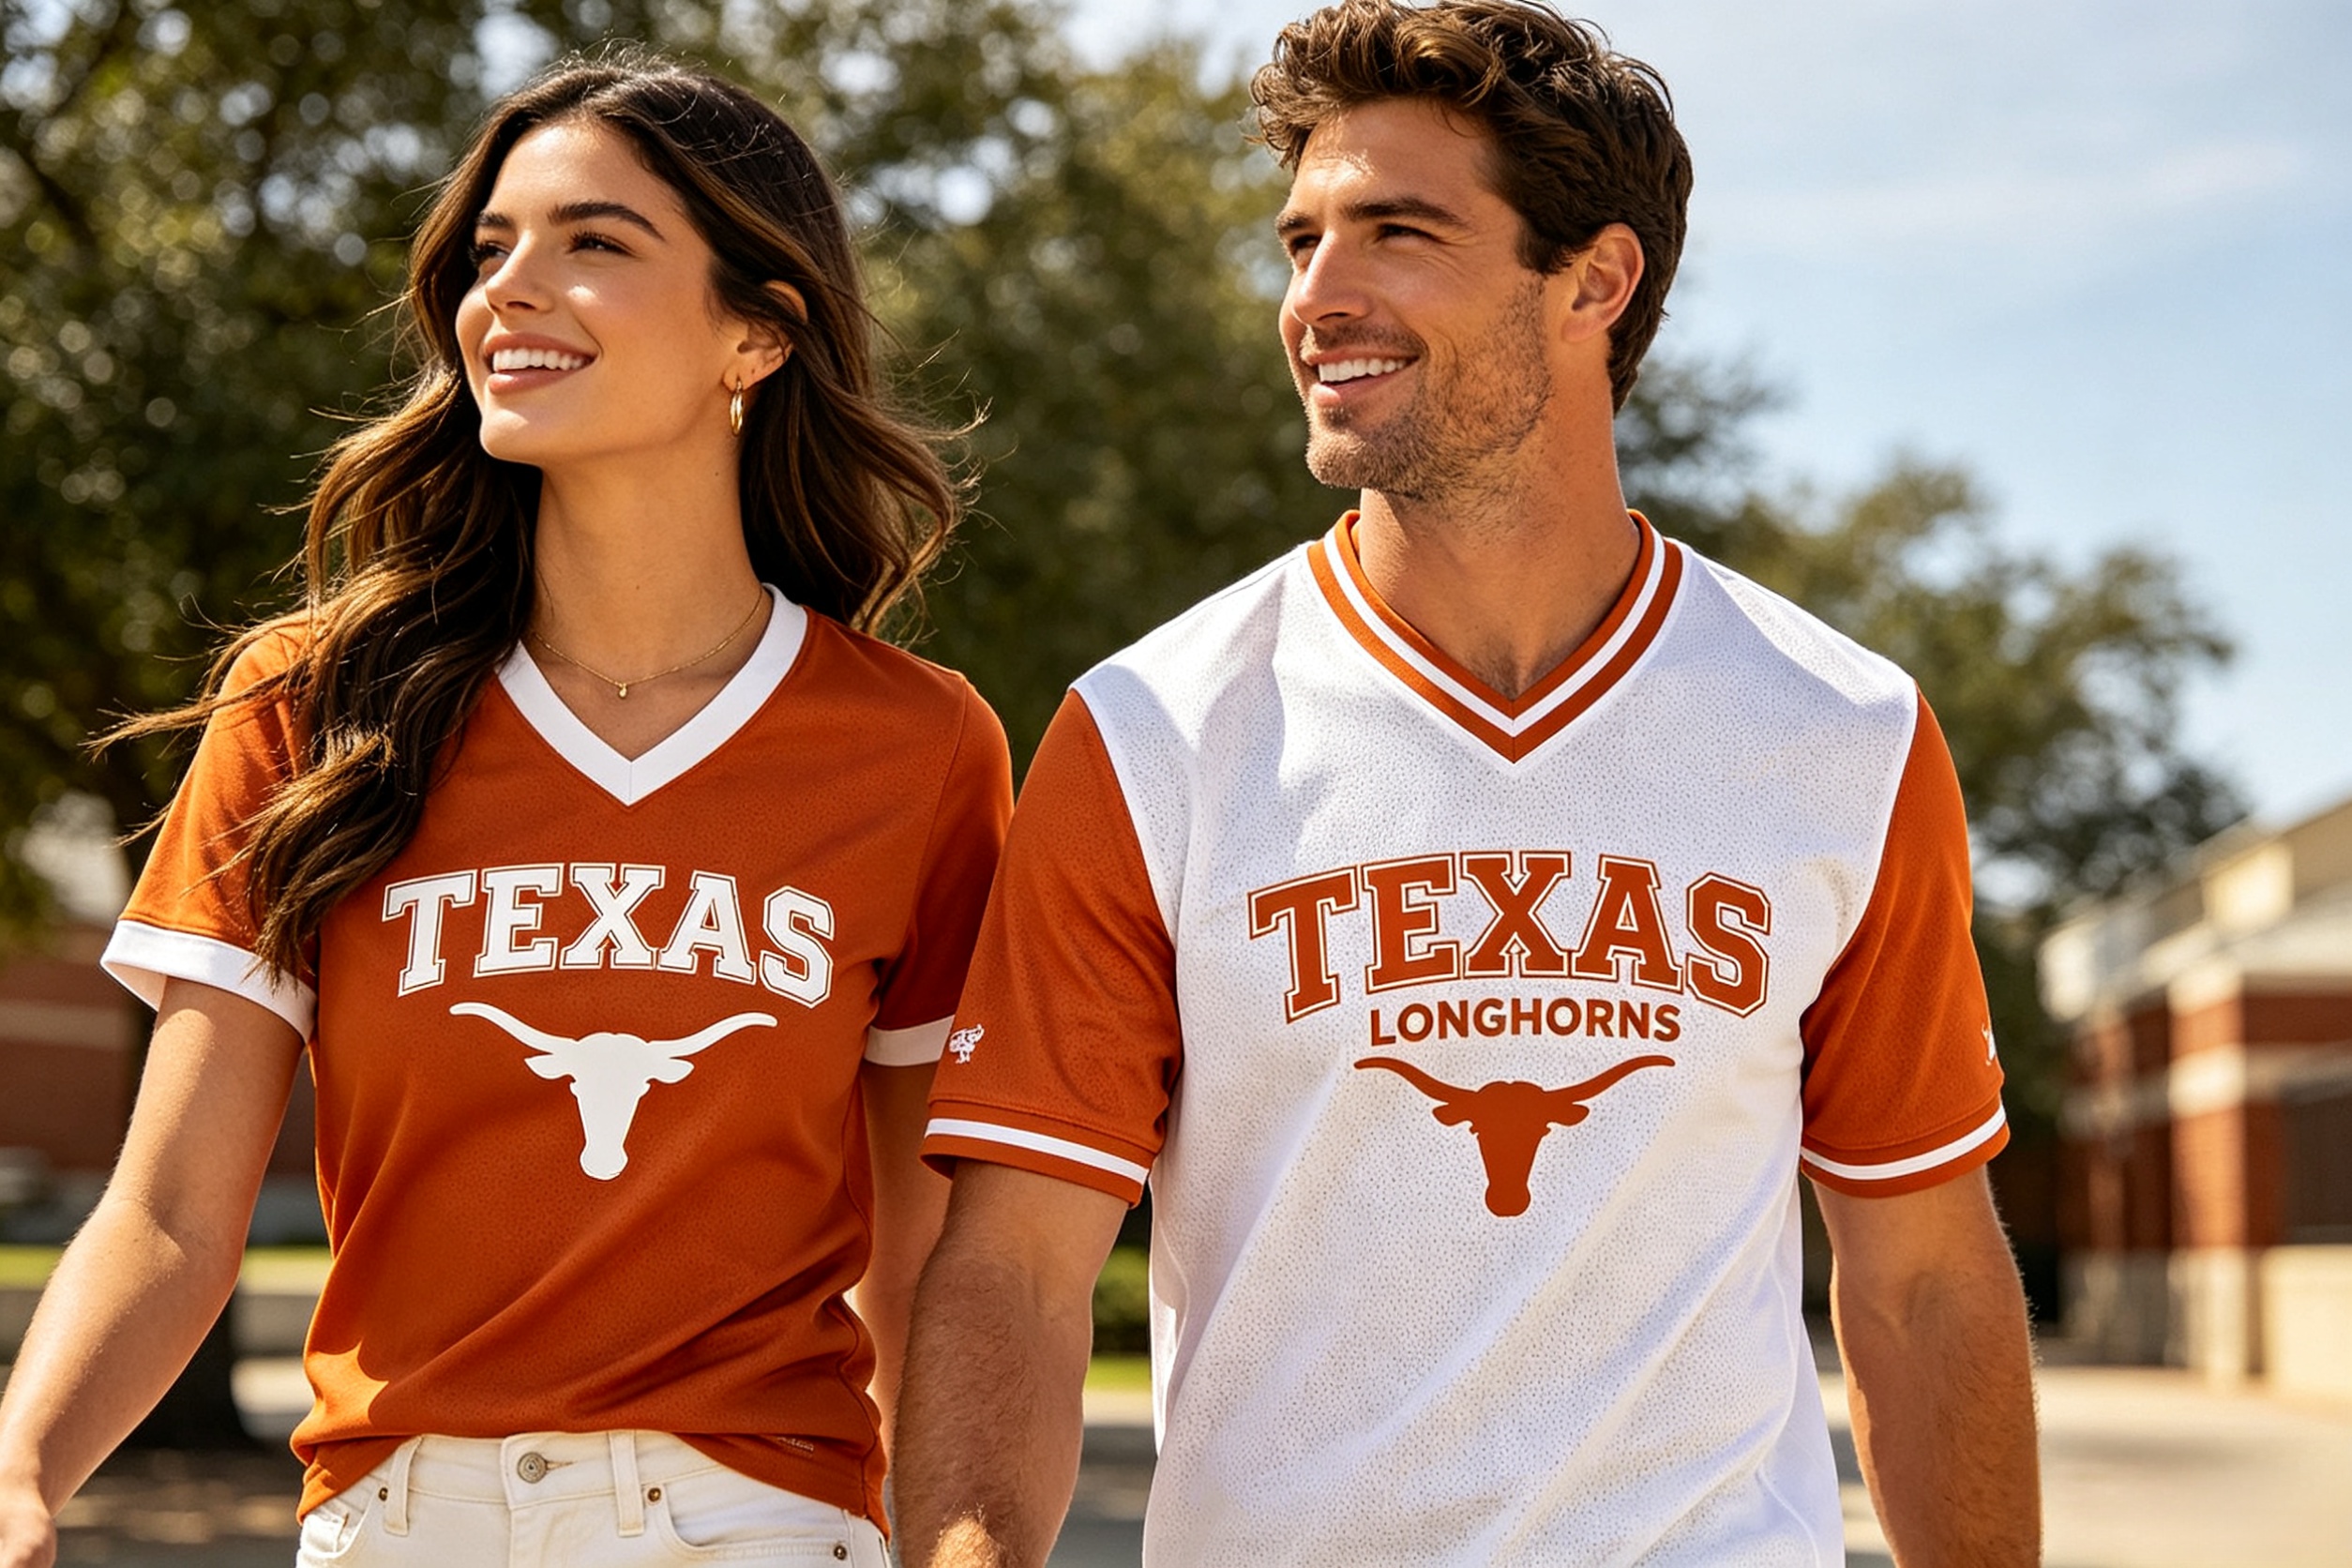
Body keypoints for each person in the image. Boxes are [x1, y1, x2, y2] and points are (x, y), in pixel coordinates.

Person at [893, 2, 2039, 1563]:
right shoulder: (1152, 731)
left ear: (1595, 280)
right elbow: (1018, 1269)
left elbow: (1919, 1270)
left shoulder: (1841, 729)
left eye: (1397, 232)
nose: (1317, 296)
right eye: (1300, 240)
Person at [0, 51, 1010, 1568]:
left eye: (594, 243)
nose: (509, 292)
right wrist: (18, 1469)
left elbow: (926, 1258)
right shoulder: (313, 705)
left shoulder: (918, 748)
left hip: (758, 1522)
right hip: (395, 1523)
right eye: (491, 251)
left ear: (757, 333)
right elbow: (169, 1214)